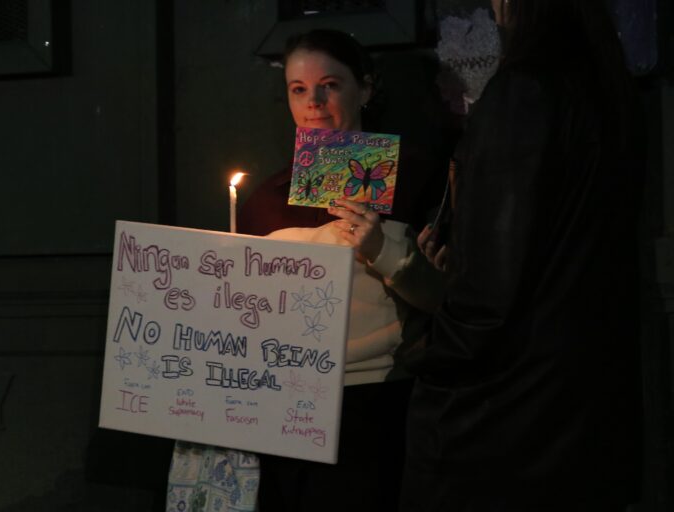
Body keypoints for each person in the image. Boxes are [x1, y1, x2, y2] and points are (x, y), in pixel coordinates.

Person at [399, 1, 646, 511]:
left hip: (509, 427)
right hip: (588, 413)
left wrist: (426, 349)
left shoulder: (525, 93)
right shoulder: (608, 90)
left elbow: (489, 300)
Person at [237, 29, 447, 511]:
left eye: (329, 84)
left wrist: (380, 248)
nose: (314, 101)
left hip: (376, 408)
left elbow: (446, 300)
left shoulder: (417, 179)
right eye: (298, 89)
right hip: (283, 408)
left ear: (365, 89)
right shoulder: (266, 200)